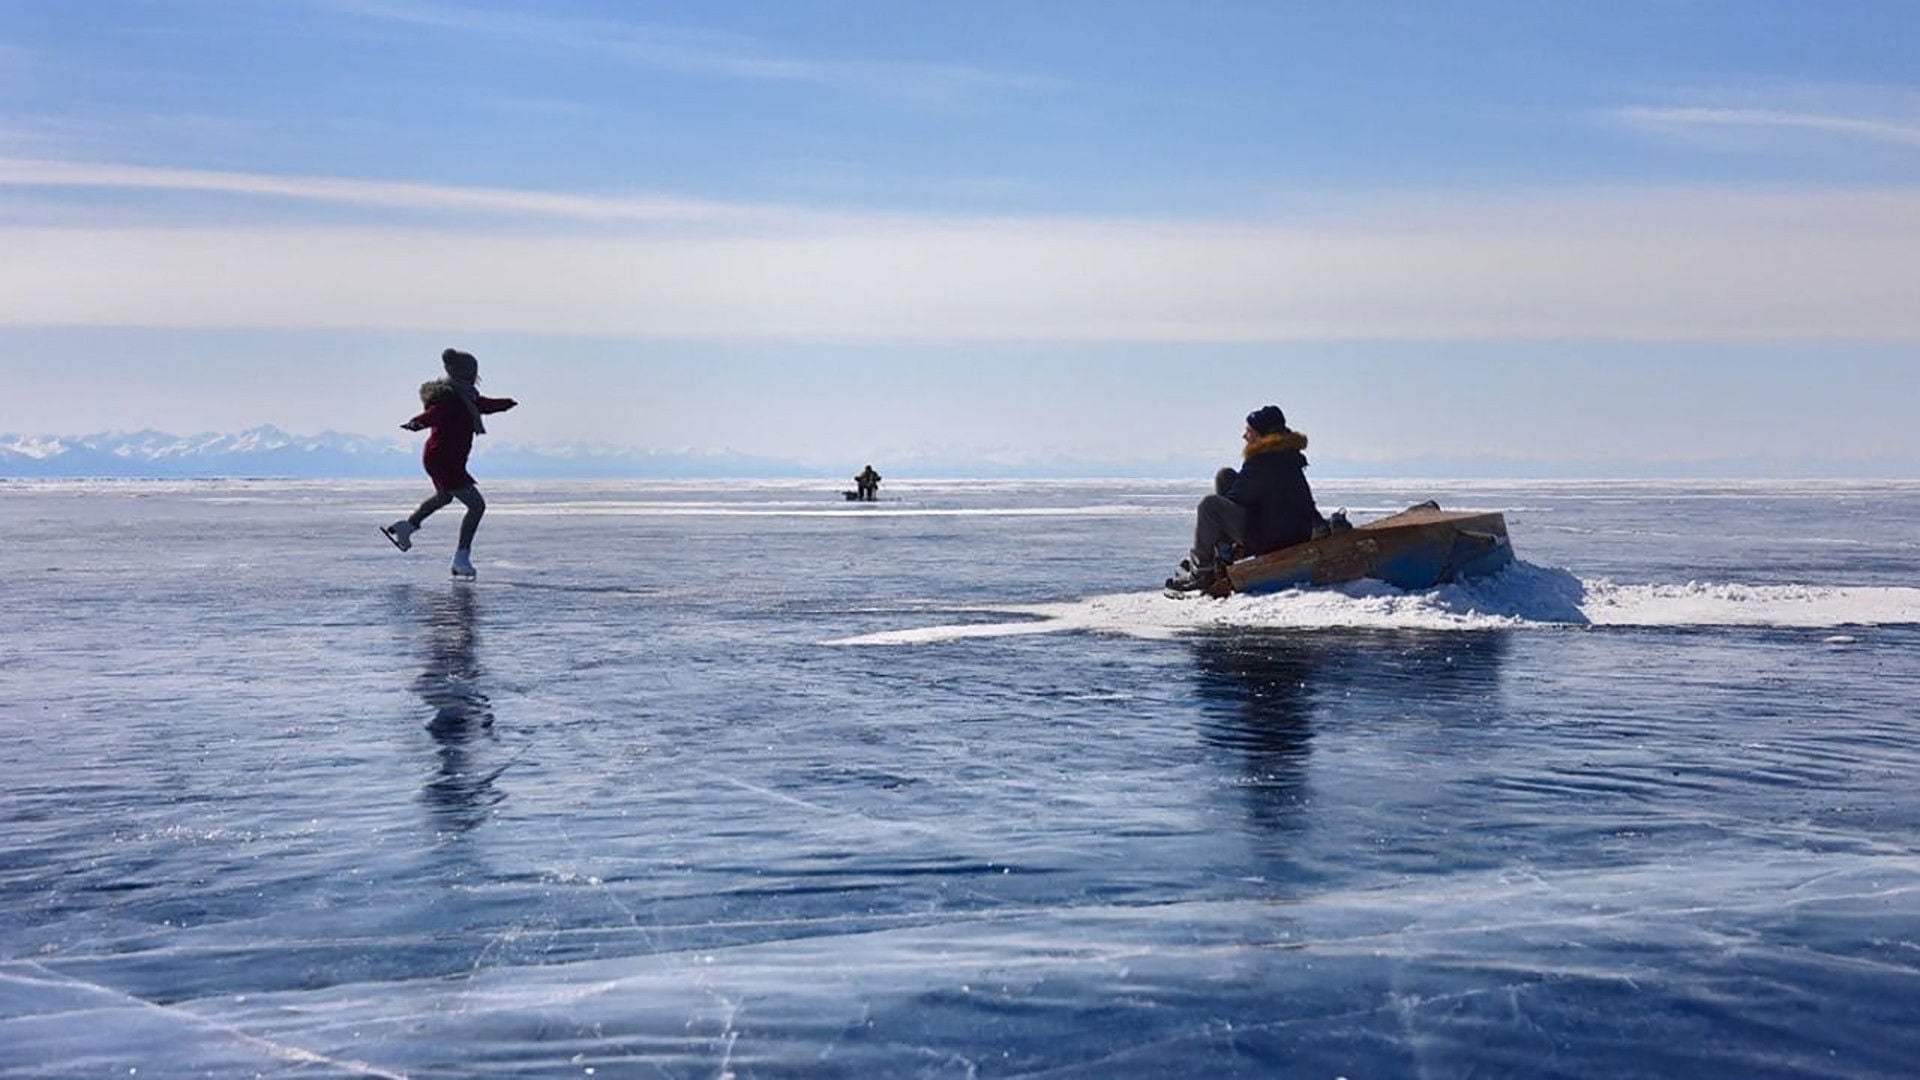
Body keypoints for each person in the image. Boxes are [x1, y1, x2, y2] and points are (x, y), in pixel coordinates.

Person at [381, 348, 518, 579]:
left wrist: (504, 404)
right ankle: (461, 558)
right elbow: (435, 414)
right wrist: (416, 423)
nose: (475, 375)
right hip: (444, 460)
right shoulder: (451, 398)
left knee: (444, 497)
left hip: (443, 458)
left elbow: (482, 404)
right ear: (464, 373)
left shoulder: (466, 397)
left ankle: (407, 527)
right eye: (472, 371)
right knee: (476, 506)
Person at [1165, 404, 1324, 593]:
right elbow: (1303, 499)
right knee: (1226, 476)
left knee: (1210, 506)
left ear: (1260, 435)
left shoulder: (1263, 461)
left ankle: (1202, 572)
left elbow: (1237, 498)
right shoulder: (1287, 456)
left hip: (1272, 537)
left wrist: (1220, 533)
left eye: (1249, 431)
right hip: (1292, 530)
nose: (1244, 436)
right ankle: (1224, 554)